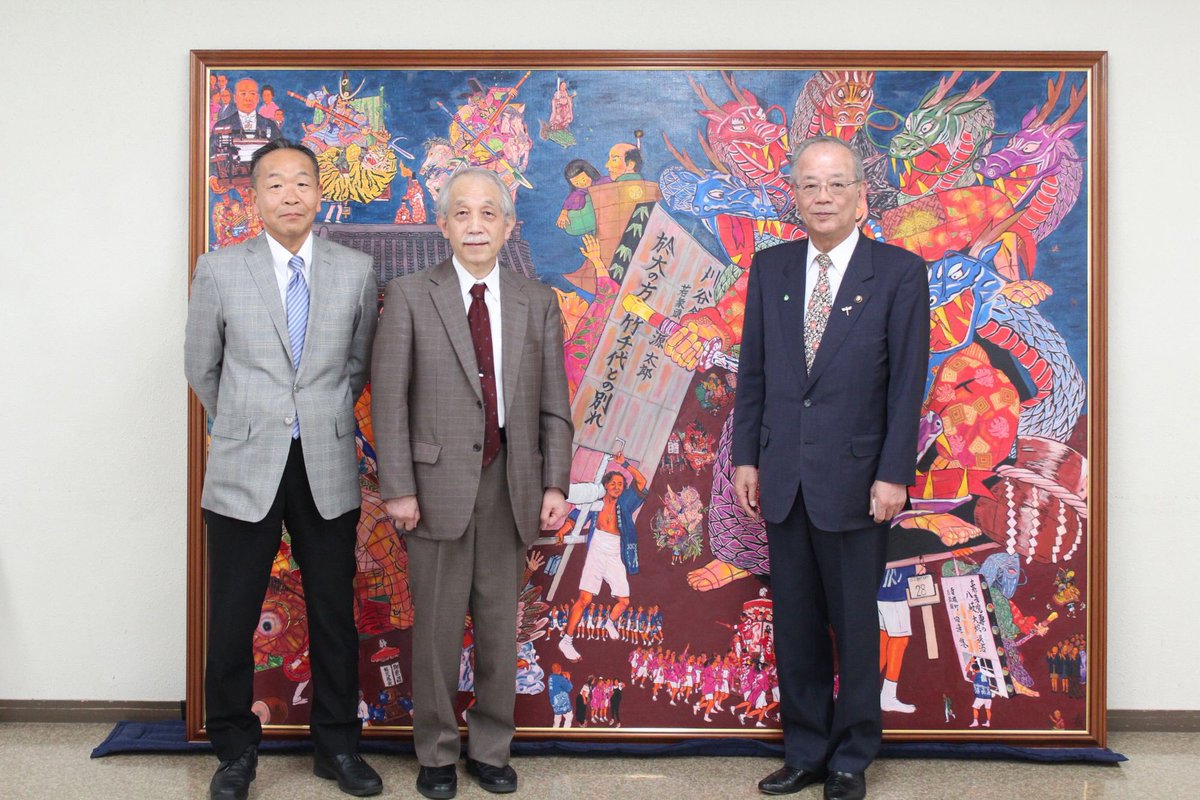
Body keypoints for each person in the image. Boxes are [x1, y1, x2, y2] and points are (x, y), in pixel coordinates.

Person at [731, 136, 928, 800]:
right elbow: (753, 373)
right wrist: (745, 458)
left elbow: (907, 386)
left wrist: (893, 473)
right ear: (796, 195)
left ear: (860, 195)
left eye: (836, 184)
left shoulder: (899, 273)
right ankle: (806, 750)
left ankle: (852, 755)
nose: (823, 196)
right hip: (783, 478)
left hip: (858, 480)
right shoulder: (773, 268)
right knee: (796, 624)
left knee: (854, 621)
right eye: (810, 185)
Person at [184, 139, 381, 800]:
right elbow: (201, 367)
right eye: (275, 184)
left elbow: (357, 366)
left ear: (320, 193)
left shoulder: (356, 270)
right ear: (255, 197)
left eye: (302, 182)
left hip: (325, 460)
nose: (290, 195)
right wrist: (247, 418)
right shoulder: (218, 269)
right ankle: (235, 752)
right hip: (245, 461)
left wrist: (314, 413)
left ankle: (337, 747)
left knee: (333, 612)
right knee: (233, 614)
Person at [371, 167, 573, 799]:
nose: (476, 224)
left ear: (509, 226)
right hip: (433, 489)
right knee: (433, 628)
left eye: (490, 213)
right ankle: (434, 752)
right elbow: (389, 401)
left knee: (497, 625)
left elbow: (554, 406)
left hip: (512, 482)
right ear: (443, 224)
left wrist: (555, 482)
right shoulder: (408, 294)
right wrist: (398, 486)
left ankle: (490, 747)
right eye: (463, 212)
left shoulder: (536, 300)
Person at [556, 455, 648, 663]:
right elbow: (575, 517)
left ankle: (610, 622)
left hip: (616, 552)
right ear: (605, 485)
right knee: (585, 599)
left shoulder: (625, 503)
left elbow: (641, 482)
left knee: (624, 601)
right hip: (597, 550)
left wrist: (624, 464)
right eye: (613, 483)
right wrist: (563, 530)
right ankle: (567, 640)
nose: (616, 487)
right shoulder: (594, 503)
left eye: (620, 484)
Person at [215, 77, 281, 140]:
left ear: (257, 98)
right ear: (235, 98)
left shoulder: (270, 125)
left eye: (252, 94)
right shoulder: (221, 126)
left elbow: (280, 149)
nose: (248, 98)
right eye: (243, 94)